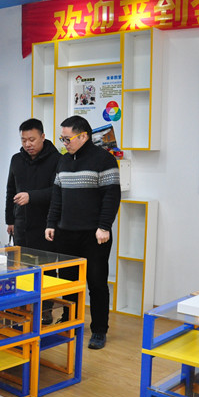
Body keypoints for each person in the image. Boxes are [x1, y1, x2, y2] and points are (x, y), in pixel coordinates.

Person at [45, 115, 121, 350]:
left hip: (94, 235)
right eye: (62, 138)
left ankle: (99, 329)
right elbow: (57, 196)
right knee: (68, 282)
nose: (64, 143)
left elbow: (111, 196)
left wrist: (104, 226)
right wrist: (51, 223)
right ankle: (70, 321)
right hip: (66, 233)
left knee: (96, 283)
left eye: (67, 139)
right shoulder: (63, 161)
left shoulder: (104, 160)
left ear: (84, 136)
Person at [5, 118, 60, 324]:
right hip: (21, 222)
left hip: (47, 224)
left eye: (32, 139)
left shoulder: (57, 159)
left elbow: (58, 192)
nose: (28, 144)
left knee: (46, 268)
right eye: (24, 140)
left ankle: (46, 309)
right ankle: (22, 307)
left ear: (43, 137)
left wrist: (32, 196)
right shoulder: (16, 160)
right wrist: (10, 219)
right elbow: (11, 190)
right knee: (20, 267)